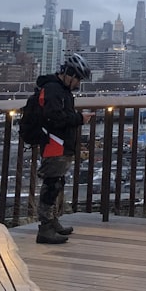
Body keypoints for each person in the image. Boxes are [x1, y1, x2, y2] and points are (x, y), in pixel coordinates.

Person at [34, 53, 94, 244]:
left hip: (60, 144)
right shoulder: (53, 89)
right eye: (77, 78)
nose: (78, 84)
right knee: (51, 185)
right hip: (54, 144)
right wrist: (80, 119)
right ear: (68, 73)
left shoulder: (61, 90)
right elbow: (55, 117)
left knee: (57, 182)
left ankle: (52, 222)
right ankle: (45, 228)